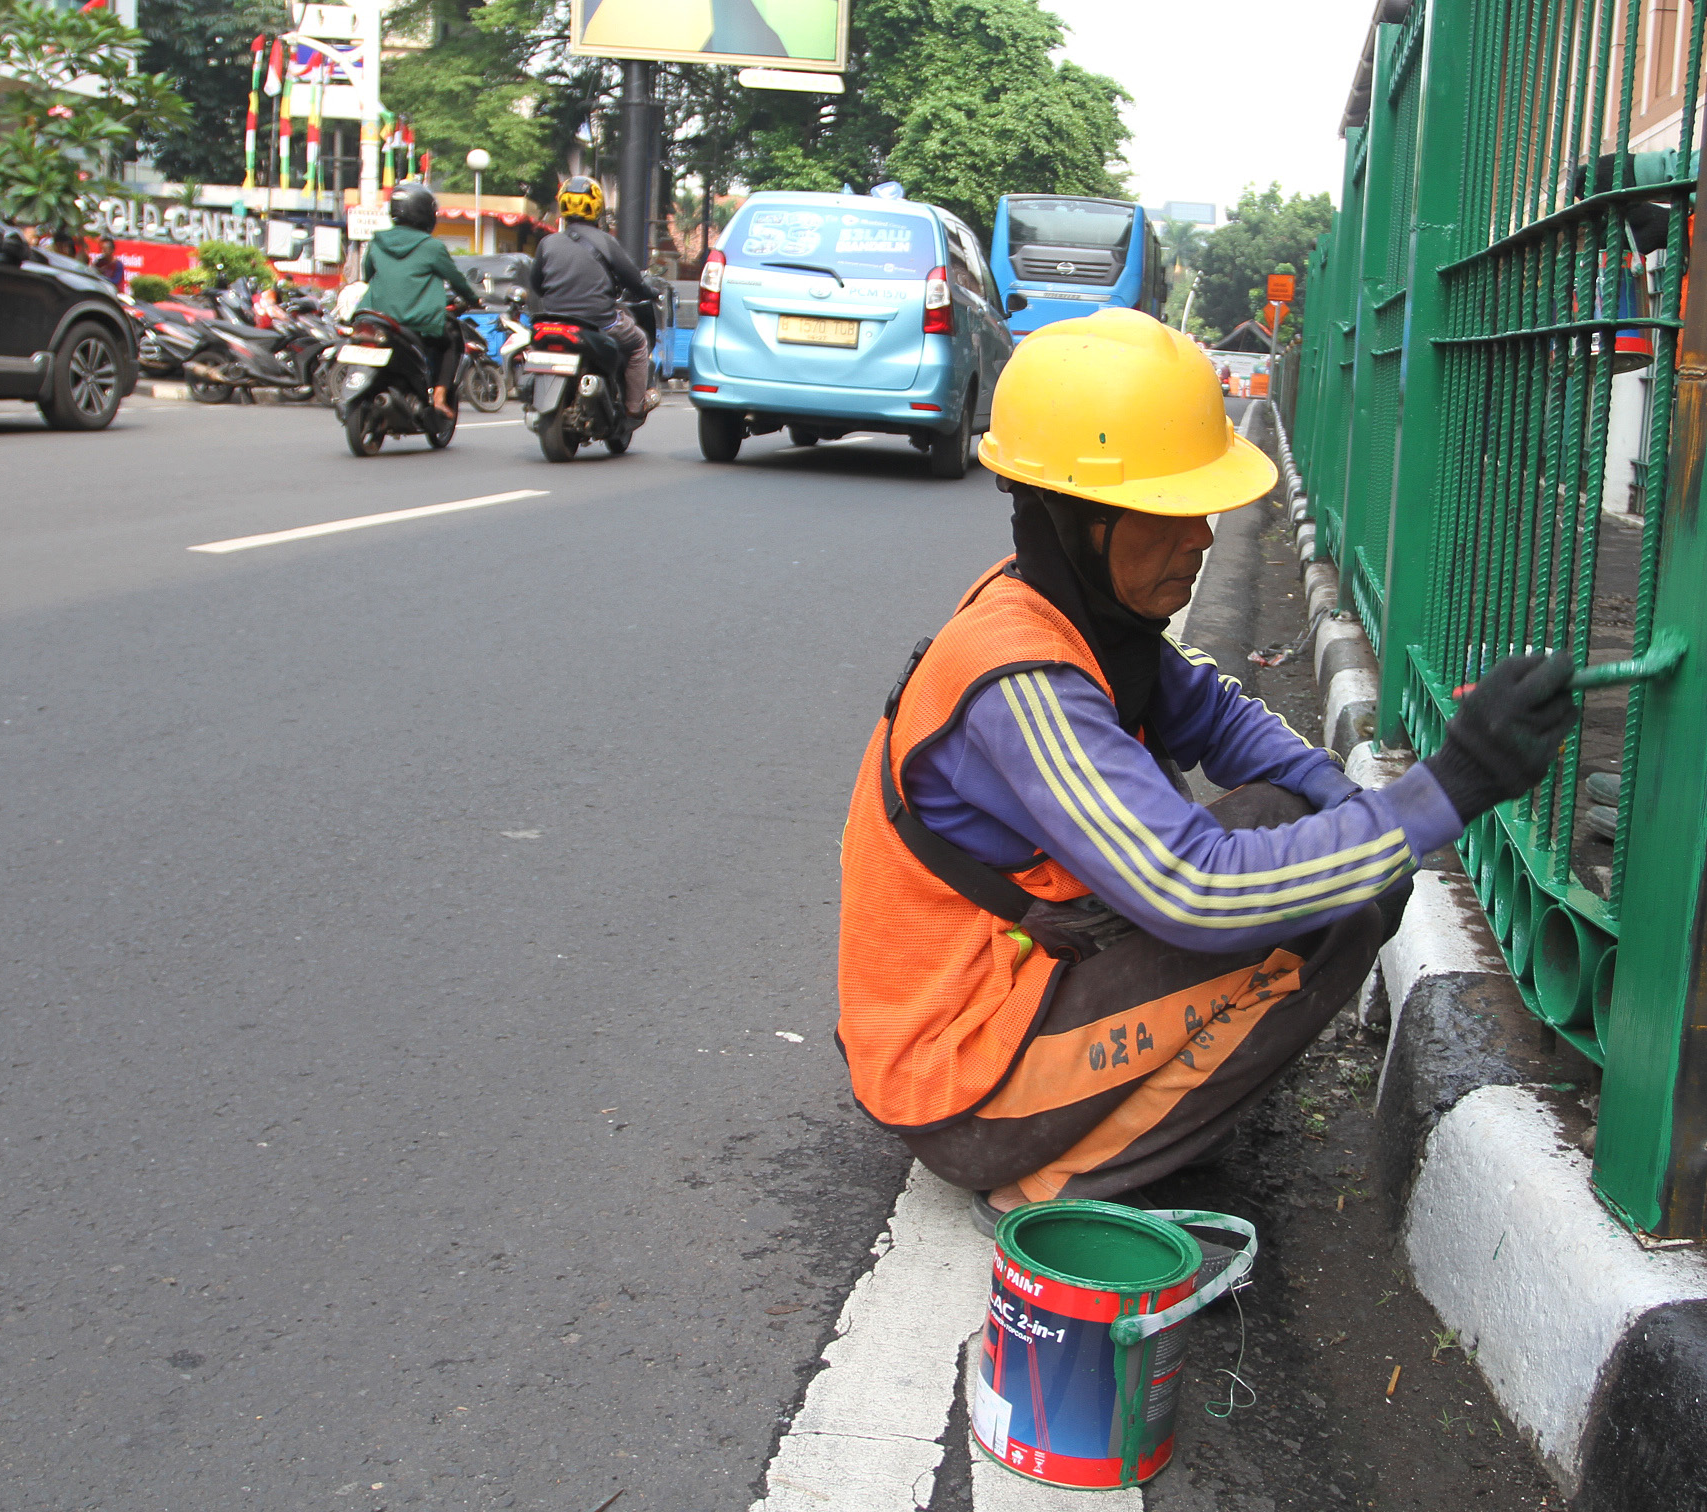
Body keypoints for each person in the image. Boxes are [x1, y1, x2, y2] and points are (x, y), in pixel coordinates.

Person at [836, 308, 1579, 1231]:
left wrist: (1354, 803)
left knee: (1307, 833)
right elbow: (1194, 889)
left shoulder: (1086, 622)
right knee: (1334, 894)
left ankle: (1127, 1122)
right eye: (1170, 512)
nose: (1202, 537)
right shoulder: (1021, 679)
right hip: (959, 1077)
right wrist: (1451, 789)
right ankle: (1060, 1182)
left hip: (1016, 996)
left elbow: (1225, 721)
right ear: (1079, 518)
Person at [528, 175, 660, 419]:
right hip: (600, 323)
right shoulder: (607, 242)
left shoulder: (547, 243)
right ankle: (634, 406)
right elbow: (633, 280)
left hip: (552, 322)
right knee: (639, 342)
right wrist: (650, 292)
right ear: (597, 208)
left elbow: (536, 284)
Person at [359, 182, 478, 417]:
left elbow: (366, 274)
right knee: (450, 340)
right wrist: (474, 300)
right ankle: (439, 398)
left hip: (376, 317)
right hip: (416, 321)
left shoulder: (377, 242)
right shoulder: (431, 247)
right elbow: (457, 281)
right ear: (425, 212)